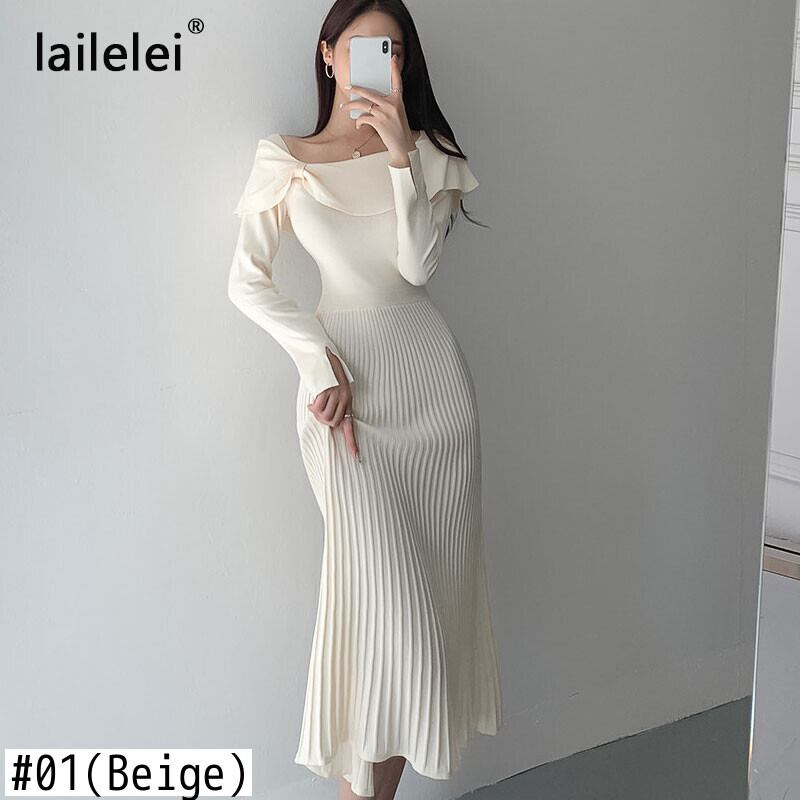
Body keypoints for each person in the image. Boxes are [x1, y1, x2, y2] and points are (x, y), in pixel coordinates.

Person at [228, 2, 503, 797]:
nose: (380, 60)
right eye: (362, 46)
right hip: (345, 400)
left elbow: (416, 269)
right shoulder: (285, 158)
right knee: (389, 618)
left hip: (434, 393)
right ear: (327, 55)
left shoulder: (429, 155)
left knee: (423, 621)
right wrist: (319, 361)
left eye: (394, 48)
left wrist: (399, 154)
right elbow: (246, 282)